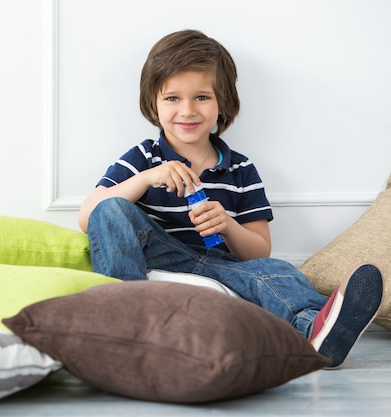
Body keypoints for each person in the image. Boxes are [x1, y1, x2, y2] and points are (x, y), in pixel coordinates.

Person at [78, 29, 384, 368]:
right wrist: (148, 178)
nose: (188, 110)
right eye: (172, 98)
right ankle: (122, 322)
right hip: (156, 258)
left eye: (202, 97)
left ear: (222, 102)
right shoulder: (143, 158)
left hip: (221, 269)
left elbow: (259, 249)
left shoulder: (241, 168)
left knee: (275, 272)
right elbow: (89, 215)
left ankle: (317, 331)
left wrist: (228, 225)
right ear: (153, 103)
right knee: (112, 208)